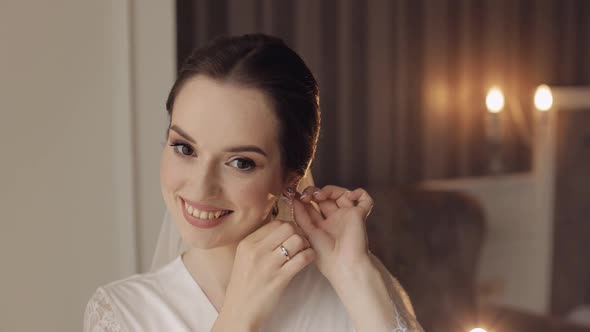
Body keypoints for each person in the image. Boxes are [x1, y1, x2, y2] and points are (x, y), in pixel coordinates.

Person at [83, 33, 423, 332]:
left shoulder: (351, 290)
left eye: (240, 162)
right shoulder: (123, 314)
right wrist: (239, 317)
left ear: (292, 176)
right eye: (184, 148)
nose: (202, 187)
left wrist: (353, 274)